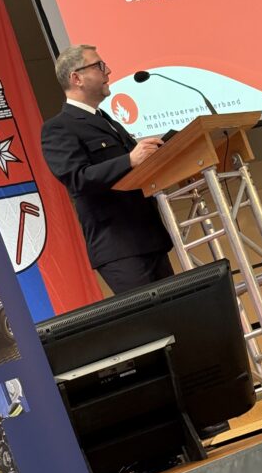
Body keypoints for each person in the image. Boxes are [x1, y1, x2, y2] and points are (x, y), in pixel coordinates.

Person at [41, 44, 174, 294]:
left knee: (180, 313)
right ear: (76, 78)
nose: (108, 71)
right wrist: (129, 160)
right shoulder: (59, 128)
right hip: (118, 246)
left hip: (149, 237)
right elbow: (77, 178)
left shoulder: (105, 120)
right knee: (152, 316)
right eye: (99, 66)